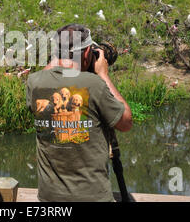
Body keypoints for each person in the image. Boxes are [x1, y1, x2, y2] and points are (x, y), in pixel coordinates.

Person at [26, 24, 133, 202]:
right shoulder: (94, 83)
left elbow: (51, 72)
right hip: (92, 197)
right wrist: (103, 75)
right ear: (85, 53)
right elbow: (126, 123)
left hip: (49, 198)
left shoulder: (34, 82)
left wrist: (59, 56)